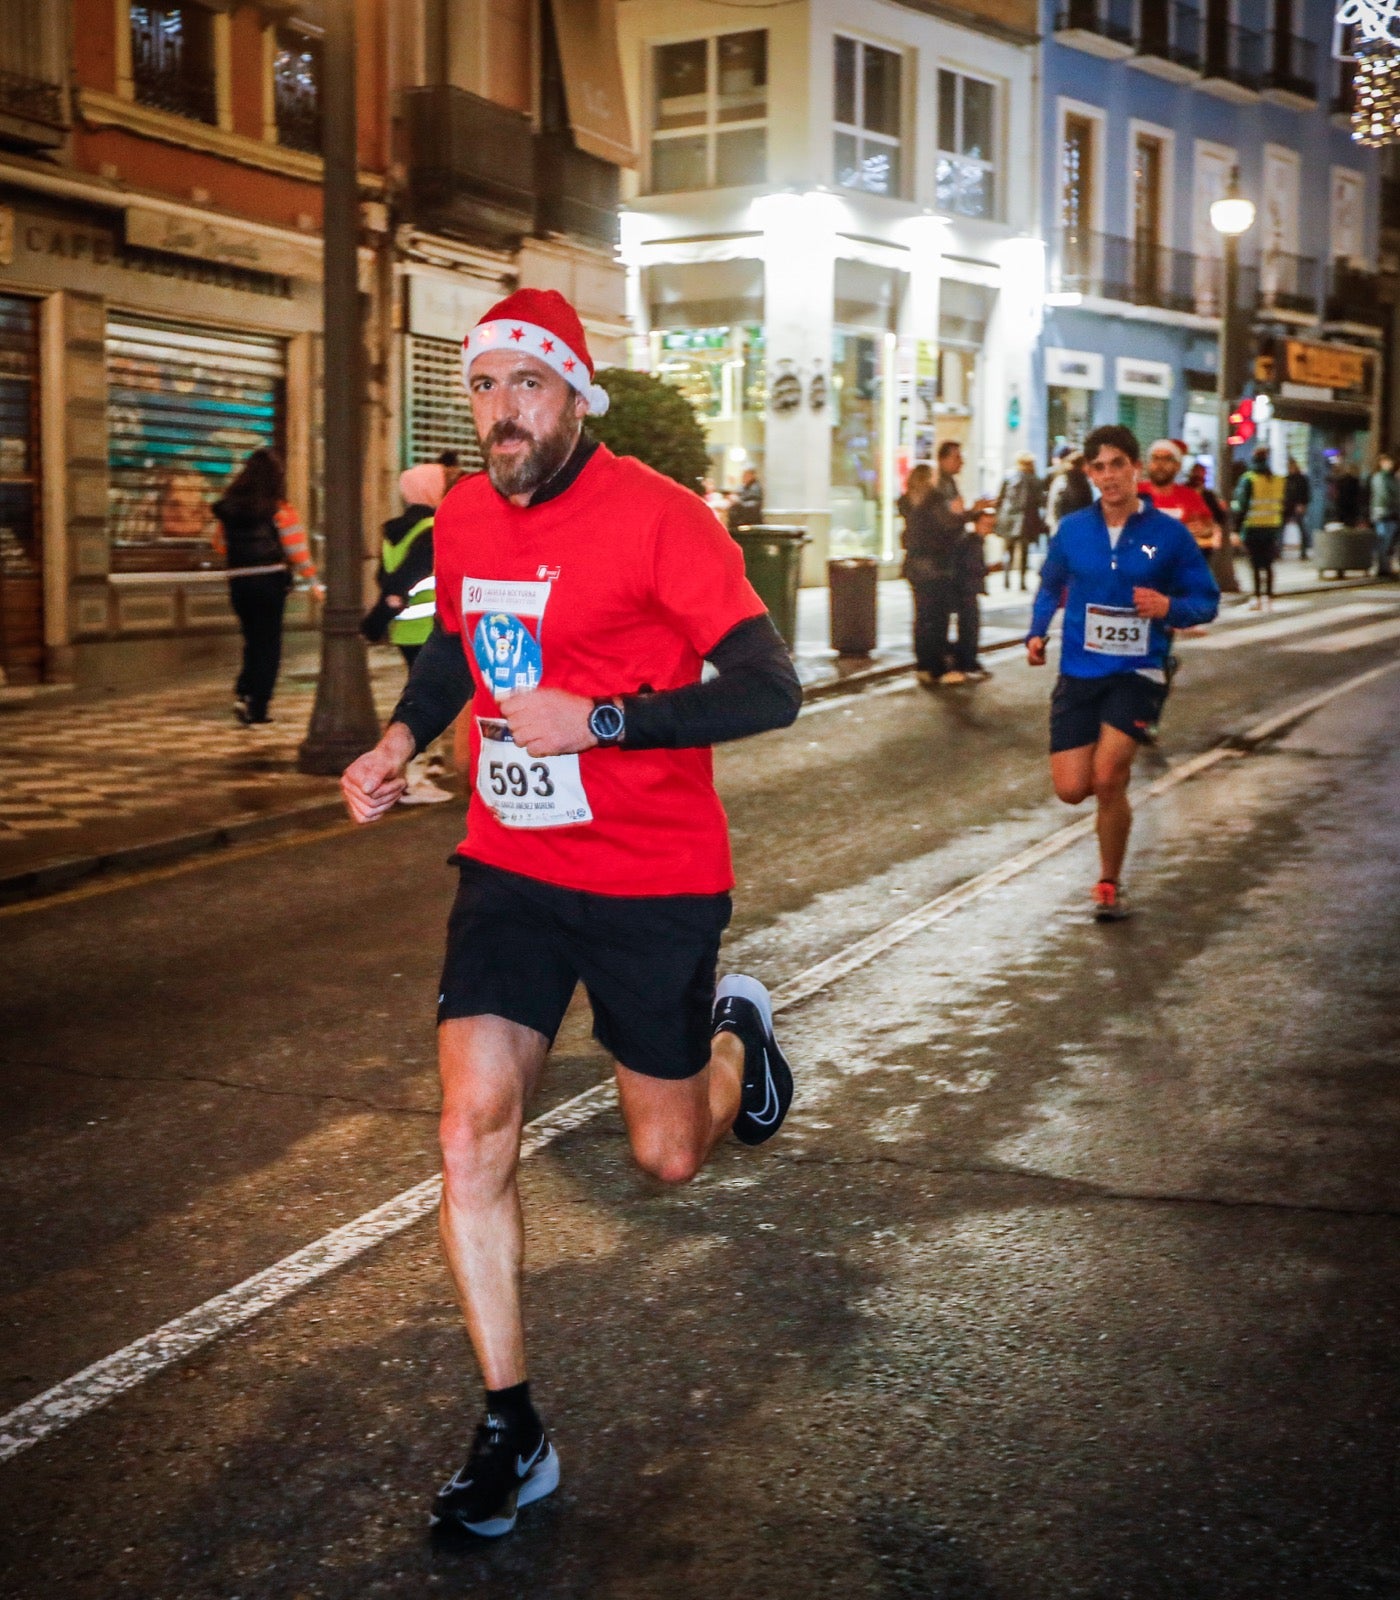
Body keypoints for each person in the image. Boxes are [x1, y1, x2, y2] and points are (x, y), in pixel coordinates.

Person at [339, 288, 803, 1539]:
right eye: (483, 387)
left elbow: (771, 689)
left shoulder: (662, 518)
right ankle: (513, 1427)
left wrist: (599, 719)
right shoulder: (468, 515)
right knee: (466, 1128)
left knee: (666, 1157)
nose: (500, 411)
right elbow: (453, 652)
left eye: (525, 386)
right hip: (512, 866)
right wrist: (395, 743)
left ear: (576, 396)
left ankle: (731, 1043)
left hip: (652, 872)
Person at [1025, 424, 1218, 921]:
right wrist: (1036, 631)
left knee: (1109, 778)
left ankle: (1108, 881)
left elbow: (1206, 601)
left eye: (1117, 464)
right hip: (1080, 670)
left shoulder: (1166, 536)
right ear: (1089, 473)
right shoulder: (1072, 530)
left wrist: (1169, 605)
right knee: (1072, 789)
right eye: (1099, 467)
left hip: (1138, 670)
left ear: (1135, 468)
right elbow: (1050, 586)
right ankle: (1108, 806)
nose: (1109, 476)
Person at [365, 461, 455, 805]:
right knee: (428, 700)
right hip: (431, 628)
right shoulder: (433, 527)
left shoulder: (393, 532)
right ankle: (413, 779)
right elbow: (411, 575)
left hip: (405, 628)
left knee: (421, 695)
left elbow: (385, 577)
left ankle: (429, 765)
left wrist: (379, 618)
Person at [213, 448, 321, 725]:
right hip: (269, 580)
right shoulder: (279, 508)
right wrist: (312, 581)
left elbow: (220, 545)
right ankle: (257, 706)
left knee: (252, 640)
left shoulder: (230, 508)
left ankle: (244, 692)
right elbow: (295, 548)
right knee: (269, 643)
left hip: (239, 581)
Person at [1233, 447, 1286, 610]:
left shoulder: (1249, 479)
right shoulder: (1277, 479)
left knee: (1255, 564)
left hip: (1253, 527)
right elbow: (1283, 504)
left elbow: (1242, 506)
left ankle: (1257, 597)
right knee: (1269, 564)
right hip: (1272, 527)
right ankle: (1269, 598)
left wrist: (1236, 529)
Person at [994, 451, 1046, 591]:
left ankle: (1006, 579)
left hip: (1008, 517)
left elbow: (1000, 498)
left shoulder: (1009, 476)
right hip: (1026, 519)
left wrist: (997, 516)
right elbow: (1041, 500)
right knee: (1024, 551)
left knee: (1008, 550)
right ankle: (1022, 581)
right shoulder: (1034, 479)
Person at [1048, 448, 1093, 532]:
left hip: (1063, 527)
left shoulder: (1061, 479)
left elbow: (1053, 506)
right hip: (1076, 528)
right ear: (1083, 465)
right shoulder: (1081, 482)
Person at [1368, 453, 1398, 578]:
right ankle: (1382, 568)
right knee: (1383, 541)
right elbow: (1384, 496)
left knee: (1389, 541)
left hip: (1392, 513)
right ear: (1382, 463)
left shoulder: (1391, 478)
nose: (1391, 464)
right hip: (1384, 512)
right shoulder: (1380, 478)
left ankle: (1385, 567)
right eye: (1388, 462)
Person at [1284, 456, 1311, 560]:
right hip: (1288, 506)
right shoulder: (1287, 479)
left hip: (1297, 506)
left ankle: (1303, 551)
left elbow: (1305, 493)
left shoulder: (1301, 479)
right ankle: (1278, 551)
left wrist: (1302, 504)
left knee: (1302, 528)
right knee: (1282, 529)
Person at [726, 466, 763, 534]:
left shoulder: (755, 488)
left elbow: (754, 505)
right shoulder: (742, 486)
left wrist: (738, 502)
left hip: (749, 523)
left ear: (752, 475)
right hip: (738, 522)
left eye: (746, 474)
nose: (743, 476)